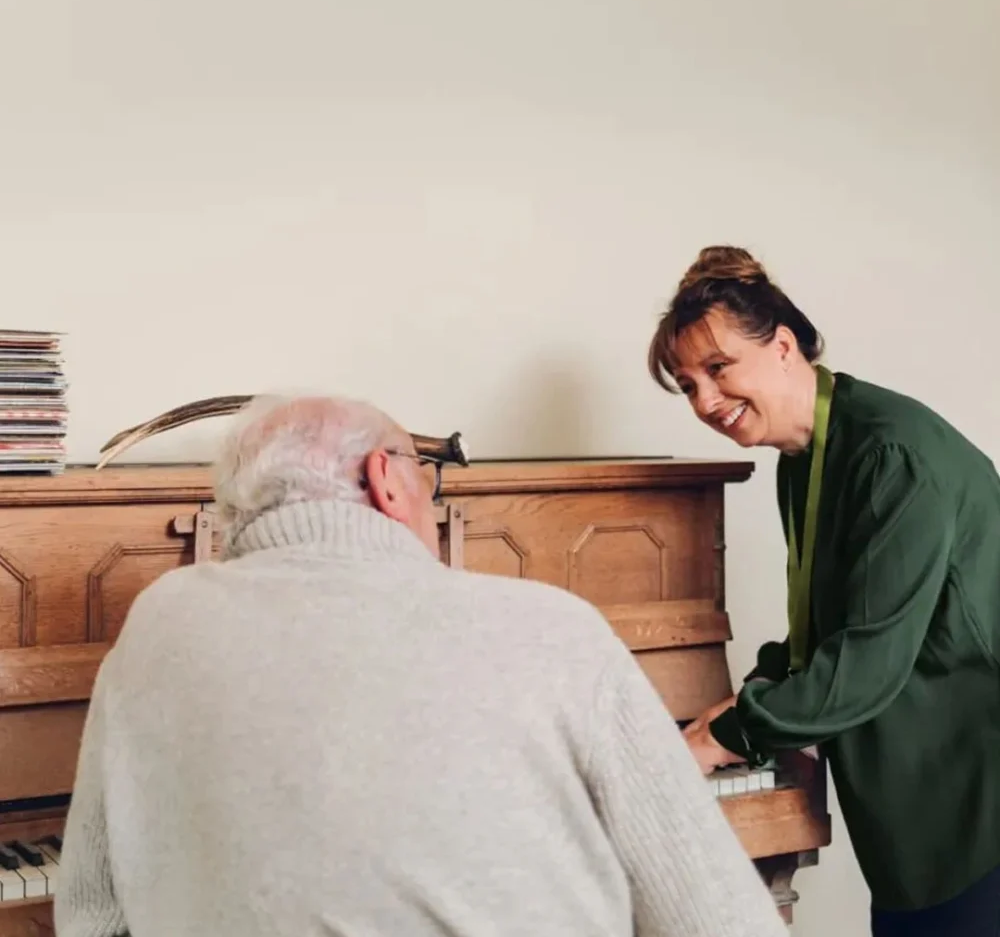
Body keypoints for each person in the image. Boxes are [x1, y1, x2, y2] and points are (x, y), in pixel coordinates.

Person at [55, 392, 788, 937]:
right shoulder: (553, 627)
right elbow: (719, 917)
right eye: (428, 476)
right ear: (389, 480)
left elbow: (91, 915)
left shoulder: (156, 623)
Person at [647, 244, 1000, 936]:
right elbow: (824, 627)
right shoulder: (806, 456)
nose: (706, 401)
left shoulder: (890, 453)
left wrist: (719, 735)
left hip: (974, 801)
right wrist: (753, 700)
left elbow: (864, 664)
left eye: (717, 369)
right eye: (687, 385)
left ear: (782, 346)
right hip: (910, 813)